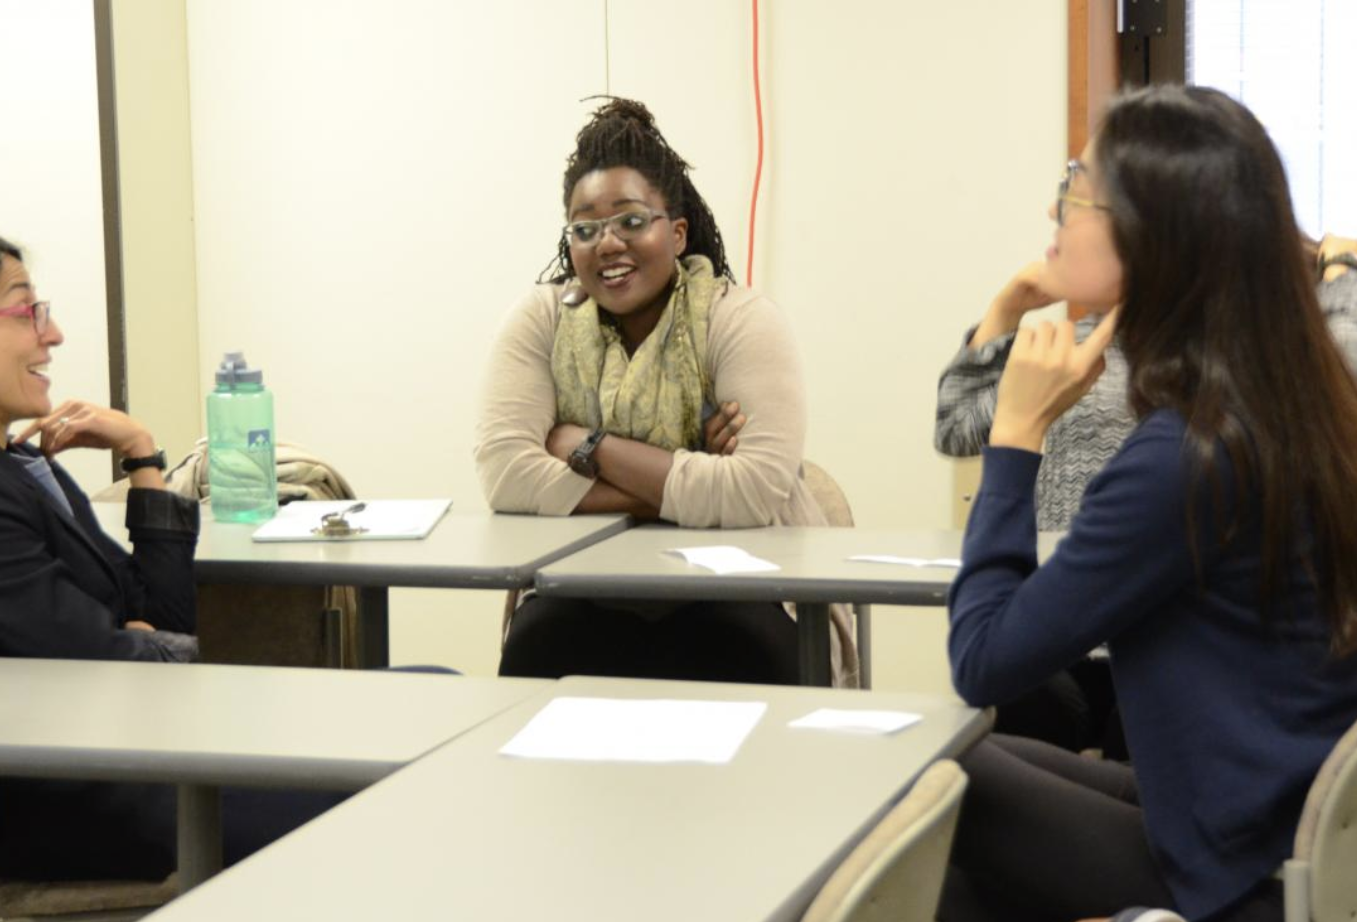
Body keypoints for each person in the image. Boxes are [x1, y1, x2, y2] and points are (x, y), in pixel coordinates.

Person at [939, 85, 1357, 922]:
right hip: (1277, 825)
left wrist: (1016, 434)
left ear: (1154, 235)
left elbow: (982, 657)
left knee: (935, 792)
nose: (1052, 209)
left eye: (1076, 188)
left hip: (1243, 875)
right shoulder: (1283, 401)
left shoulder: (1188, 455)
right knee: (959, 756)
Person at [0, 232, 343, 882]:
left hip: (145, 759)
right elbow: (115, 661)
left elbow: (158, 618)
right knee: (412, 772)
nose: (51, 334)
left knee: (427, 697)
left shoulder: (12, 465)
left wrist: (141, 455)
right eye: (26, 312)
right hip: (106, 804)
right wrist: (146, 645)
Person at [474, 98, 855, 686]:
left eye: (630, 221)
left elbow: (752, 492)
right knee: (538, 646)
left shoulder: (738, 319)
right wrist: (687, 480)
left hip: (743, 586)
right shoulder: (542, 320)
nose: (607, 244)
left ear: (677, 233)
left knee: (744, 650)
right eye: (585, 228)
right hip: (582, 585)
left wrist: (589, 446)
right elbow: (506, 475)